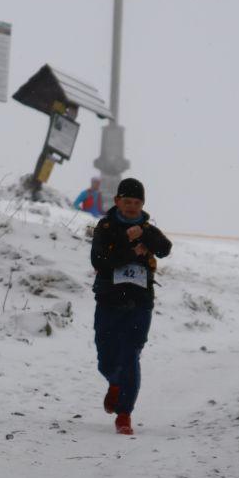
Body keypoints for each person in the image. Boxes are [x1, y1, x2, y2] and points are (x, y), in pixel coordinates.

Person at [90, 177, 171, 436]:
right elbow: (100, 261)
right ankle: (115, 382)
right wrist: (130, 248)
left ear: (142, 204)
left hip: (140, 303)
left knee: (131, 355)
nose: (132, 207)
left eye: (137, 202)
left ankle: (124, 413)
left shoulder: (148, 228)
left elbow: (165, 248)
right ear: (117, 201)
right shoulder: (105, 227)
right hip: (109, 300)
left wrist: (146, 236)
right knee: (105, 358)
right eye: (127, 202)